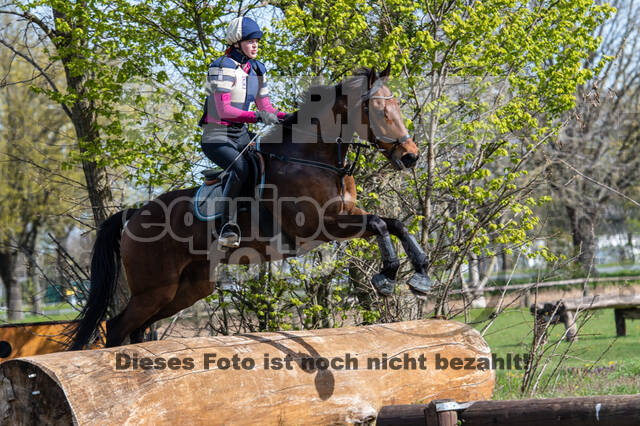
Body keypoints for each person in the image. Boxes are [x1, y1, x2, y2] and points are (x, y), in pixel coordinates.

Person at [199, 16, 287, 249]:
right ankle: (226, 226)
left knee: (270, 163)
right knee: (241, 168)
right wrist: (258, 117)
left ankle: (264, 220)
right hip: (216, 135)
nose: (255, 45)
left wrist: (286, 117)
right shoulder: (222, 66)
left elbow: (265, 107)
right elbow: (224, 110)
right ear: (237, 43)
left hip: (240, 135)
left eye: (257, 41)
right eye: (250, 41)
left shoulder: (257, 68)